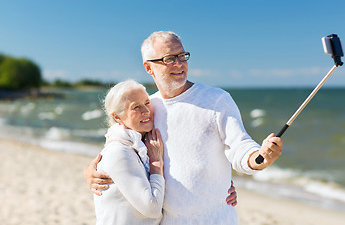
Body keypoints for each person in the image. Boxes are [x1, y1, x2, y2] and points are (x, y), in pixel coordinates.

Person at [85, 31, 283, 224]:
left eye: (182, 56)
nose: (179, 64)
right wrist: (91, 170)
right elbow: (120, 144)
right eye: (170, 58)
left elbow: (240, 147)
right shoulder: (149, 107)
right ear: (148, 67)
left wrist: (260, 157)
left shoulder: (216, 100)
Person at [94, 80, 165, 225]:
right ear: (117, 117)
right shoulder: (118, 152)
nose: (146, 111)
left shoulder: (140, 145)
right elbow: (152, 209)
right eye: (136, 107)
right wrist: (156, 163)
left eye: (147, 102)